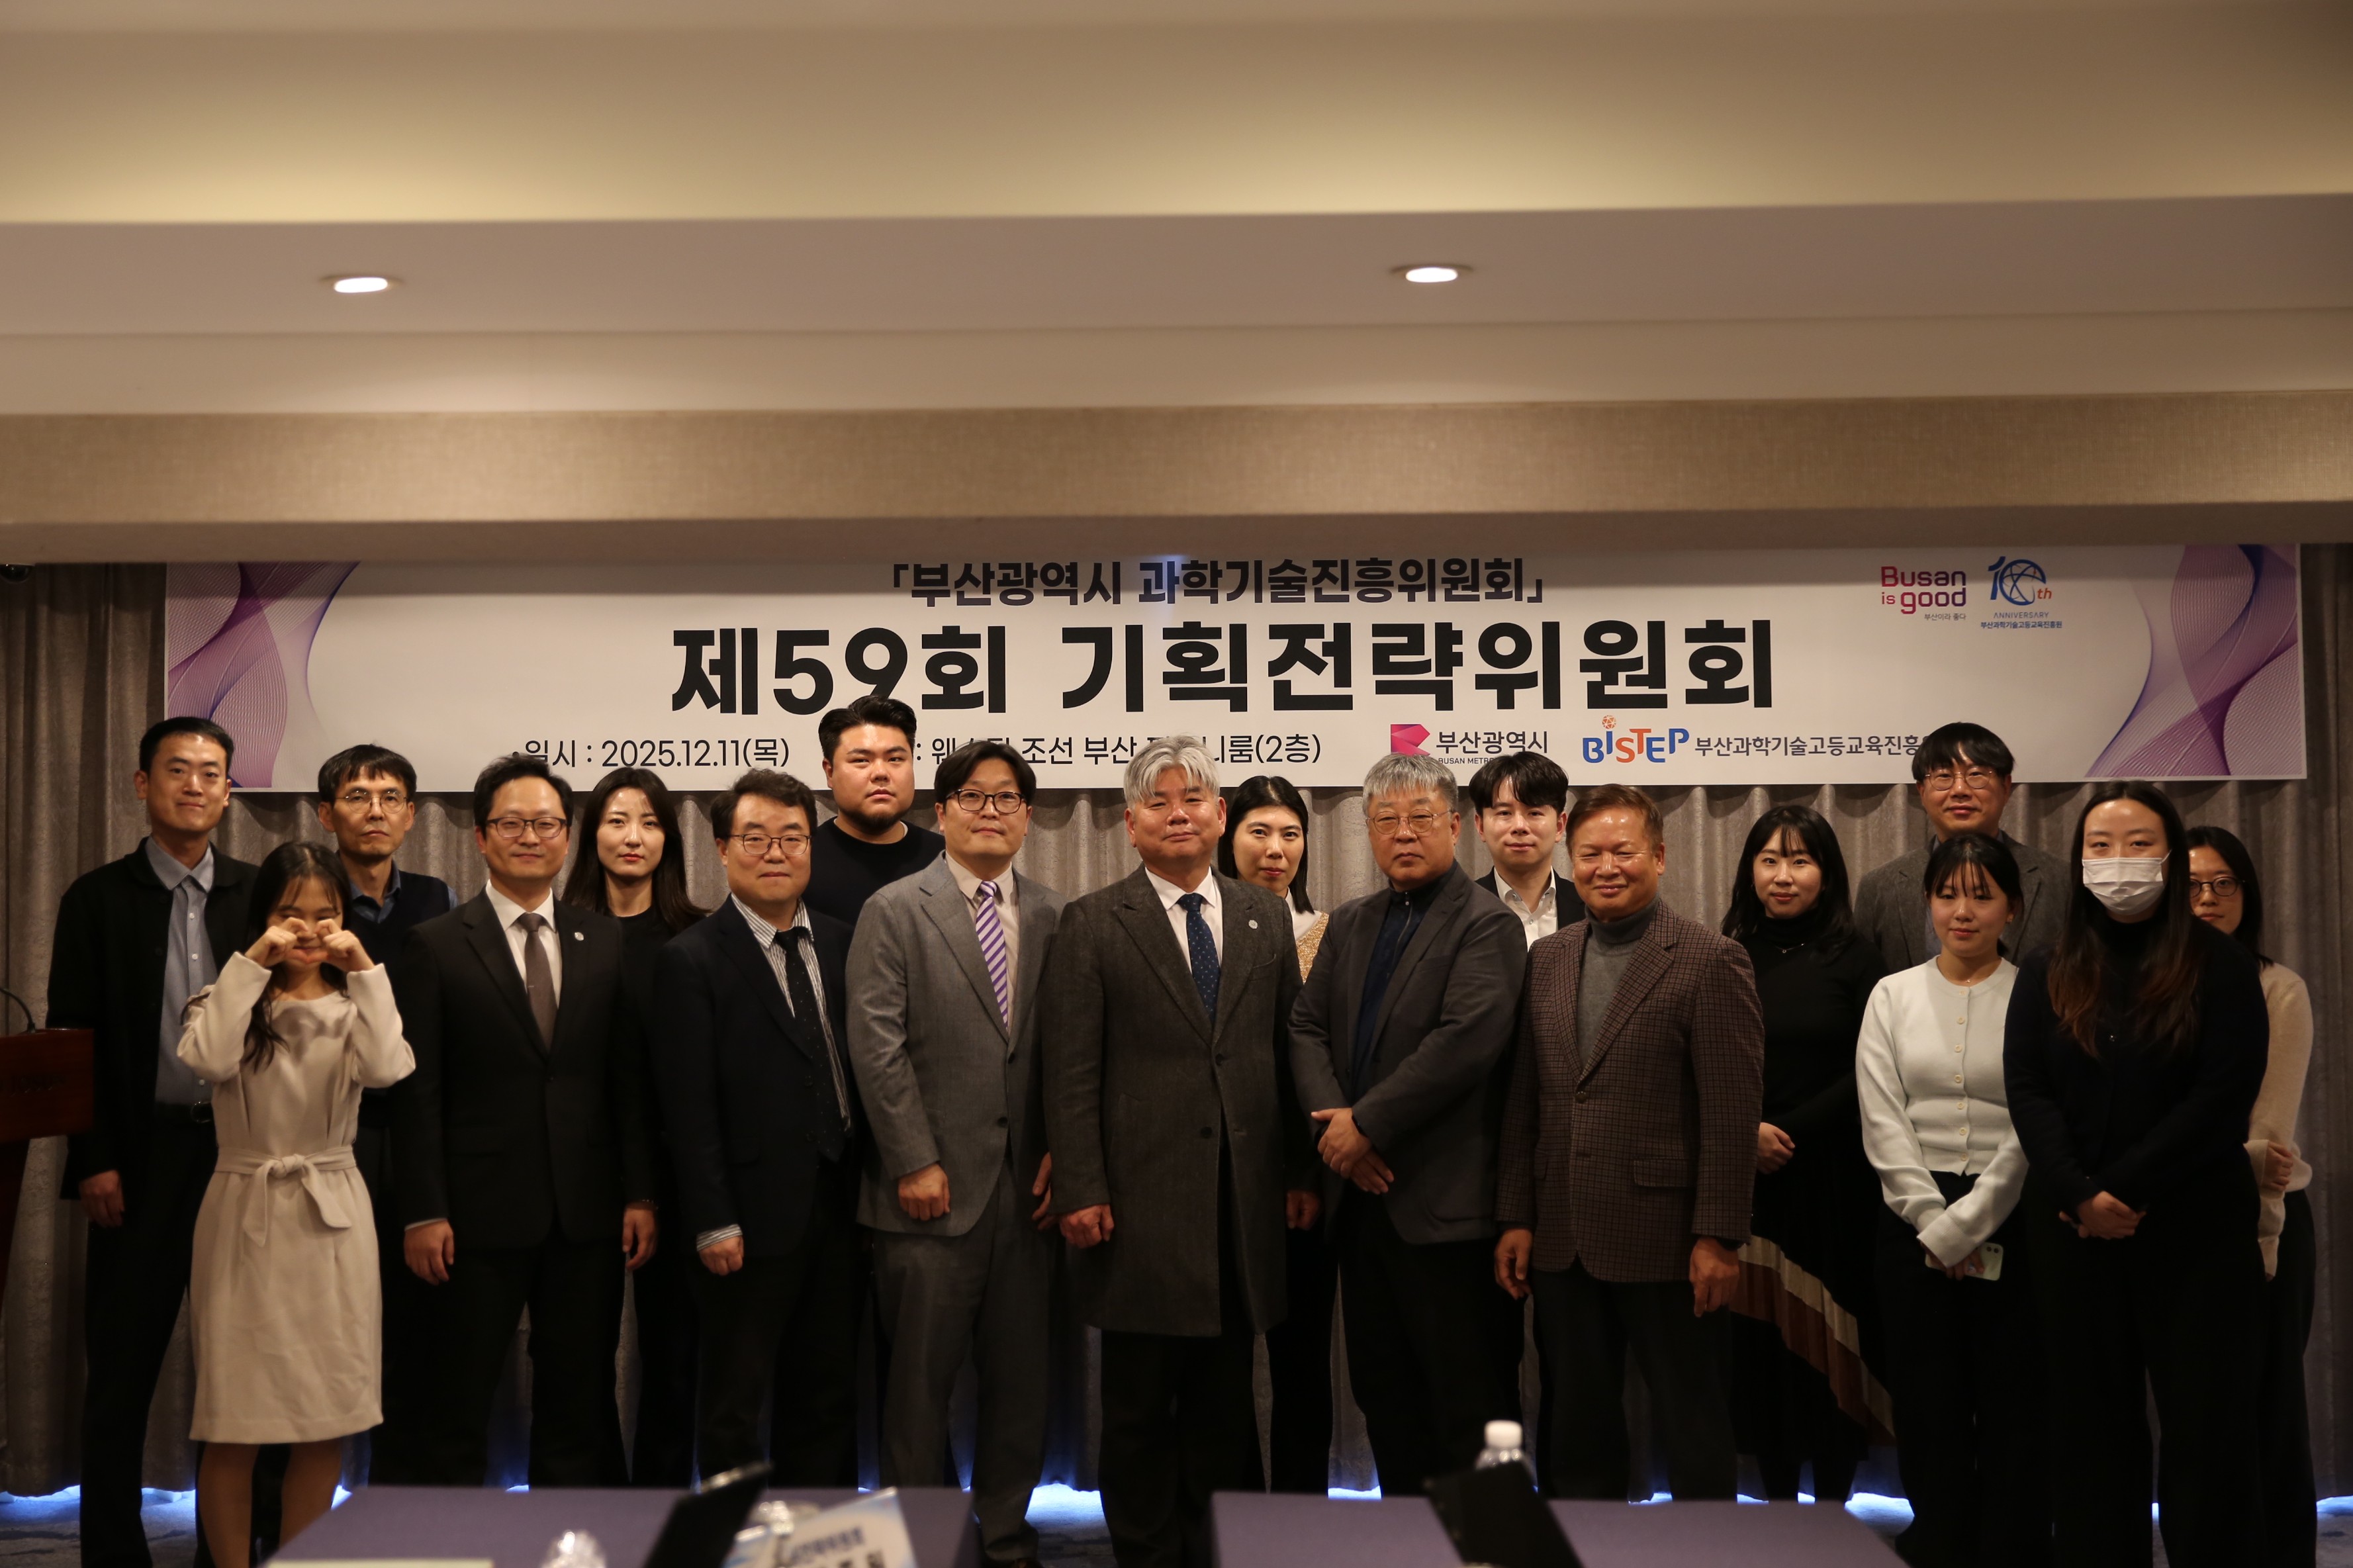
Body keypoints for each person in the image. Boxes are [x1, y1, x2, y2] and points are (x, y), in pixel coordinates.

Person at [1042, 738, 1308, 1568]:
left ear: (1220, 813)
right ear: (1131, 824)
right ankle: (1146, 1551)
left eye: (1193, 797)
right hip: (1138, 1205)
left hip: (1240, 1201)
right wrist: (1081, 1184)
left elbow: (1290, 1051)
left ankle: (1211, 1547)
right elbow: (1071, 1069)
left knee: (1224, 1400)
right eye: (1157, 802)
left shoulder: (1265, 914)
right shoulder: (1094, 920)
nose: (1178, 813)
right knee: (1136, 1406)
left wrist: (1300, 1171)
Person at [2004, 782, 2269, 1565]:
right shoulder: (2047, 964)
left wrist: (2122, 1188)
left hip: (2195, 1228)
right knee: (2090, 1427)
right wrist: (2079, 1191)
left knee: (2208, 1428)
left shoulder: (2221, 963)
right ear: (2080, 859)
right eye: (2101, 845)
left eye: (2139, 843)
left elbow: (2221, 1096)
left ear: (2172, 855)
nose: (2119, 860)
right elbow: (2027, 1086)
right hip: (2072, 1231)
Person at [390, 754, 659, 1489]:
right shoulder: (437, 943)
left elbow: (625, 1082)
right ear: (481, 835)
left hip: (585, 1212)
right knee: (458, 1396)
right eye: (513, 823)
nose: (531, 837)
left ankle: (564, 1535)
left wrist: (639, 1193)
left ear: (568, 835)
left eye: (546, 823)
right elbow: (418, 1091)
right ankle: (455, 1538)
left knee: (578, 1395)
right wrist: (424, 1209)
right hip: (472, 1216)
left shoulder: (602, 939)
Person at [1495, 782, 1763, 1502]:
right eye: (1590, 853)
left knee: (1692, 1416)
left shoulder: (1711, 958)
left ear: (1660, 856)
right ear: (1570, 859)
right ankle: (1585, 1541)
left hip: (1670, 1238)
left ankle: (1707, 1546)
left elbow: (1731, 1113)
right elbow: (1526, 1098)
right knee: (1576, 1420)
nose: (1606, 867)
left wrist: (1719, 1236)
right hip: (1563, 1233)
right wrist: (1516, 1213)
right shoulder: (1548, 958)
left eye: (1623, 851)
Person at [847, 742, 1063, 1565]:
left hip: (1029, 1194)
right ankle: (920, 1542)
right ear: (940, 812)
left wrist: (1066, 1155)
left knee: (1021, 1385)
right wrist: (912, 1158)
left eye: (1007, 798)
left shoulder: (1056, 914)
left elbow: (1071, 1051)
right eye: (973, 796)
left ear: (1028, 816)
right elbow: (876, 1044)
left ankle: (1006, 1534)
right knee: (916, 1389)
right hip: (925, 1193)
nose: (990, 811)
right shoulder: (896, 908)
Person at [48, 716, 257, 1568]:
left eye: (211, 772)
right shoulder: (97, 897)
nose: (195, 785)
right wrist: (92, 1156)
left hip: (240, 1158)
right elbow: (73, 1038)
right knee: (122, 1370)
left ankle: (227, 1549)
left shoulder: (257, 894)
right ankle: (111, 1550)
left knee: (241, 1367)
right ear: (142, 783)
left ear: (230, 792)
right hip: (138, 1159)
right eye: (178, 769)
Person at [1289, 754, 1526, 1496]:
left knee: (1469, 1400)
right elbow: (1305, 1027)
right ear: (1367, 830)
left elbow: (1465, 1041)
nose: (1403, 833)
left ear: (1456, 825)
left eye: (1421, 817)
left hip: (1447, 1210)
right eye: (1385, 820)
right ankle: (1408, 1536)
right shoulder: (1352, 921)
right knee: (1384, 1393)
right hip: (1361, 1208)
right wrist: (1338, 1138)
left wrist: (1365, 1125)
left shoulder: (1488, 923)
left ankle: (1485, 1541)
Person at [175, 843, 414, 1568]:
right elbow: (208, 1059)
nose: (307, 929)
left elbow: (389, 1068)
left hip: (331, 1214)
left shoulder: (355, 1007)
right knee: (233, 1420)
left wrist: (364, 967)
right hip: (244, 1212)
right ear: (263, 917)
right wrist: (252, 961)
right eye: (289, 912)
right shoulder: (223, 1000)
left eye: (325, 913)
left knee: (324, 1419)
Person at [655, 769, 863, 1485]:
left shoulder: (843, 942)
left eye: (792, 837)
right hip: (744, 1219)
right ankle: (735, 1531)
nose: (776, 852)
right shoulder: (690, 958)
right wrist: (713, 1219)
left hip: (840, 1205)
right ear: (721, 847)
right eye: (756, 837)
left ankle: (819, 1533)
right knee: (735, 1401)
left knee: (827, 1391)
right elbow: (687, 1107)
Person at [1856, 833, 2047, 1568]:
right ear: (1927, 903)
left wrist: (1970, 1221)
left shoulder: (2038, 993)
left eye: (1981, 895)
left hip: (2015, 1212)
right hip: (1911, 1215)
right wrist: (1933, 1220)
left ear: (2012, 908)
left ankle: (2011, 1541)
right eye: (1947, 894)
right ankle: (1939, 1534)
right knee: (1925, 1390)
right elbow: (1882, 1115)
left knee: (2013, 1389)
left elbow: (2035, 1119)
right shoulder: (1892, 994)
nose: (1962, 911)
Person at [1717, 804, 1888, 1503]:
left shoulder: (1857, 957)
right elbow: (1705, 1059)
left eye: (1800, 859)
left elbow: (1872, 1065)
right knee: (1760, 1336)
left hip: (1833, 1174)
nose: (1782, 875)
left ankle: (1835, 1499)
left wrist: (1788, 1131)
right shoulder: (1726, 951)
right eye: (1769, 859)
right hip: (1745, 1174)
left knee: (1831, 1330)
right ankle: (1777, 1497)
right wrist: (1747, 1132)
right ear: (1749, 870)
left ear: (1827, 872)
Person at [310, 743, 453, 1489]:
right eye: (358, 796)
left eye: (391, 797)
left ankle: (402, 1504)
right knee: (318, 1327)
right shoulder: (305, 898)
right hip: (328, 1129)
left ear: (412, 815)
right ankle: (284, 1515)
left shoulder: (436, 898)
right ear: (325, 813)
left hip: (418, 1129)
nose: (375, 811)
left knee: (417, 1327)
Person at [562, 766, 706, 1487]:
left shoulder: (697, 933)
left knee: (675, 1353)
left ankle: (662, 1500)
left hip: (677, 1173)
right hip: (579, 1169)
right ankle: (598, 1503)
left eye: (649, 822)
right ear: (591, 834)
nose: (633, 836)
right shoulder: (556, 930)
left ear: (670, 838)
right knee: (578, 1353)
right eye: (617, 820)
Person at [2186, 824, 2315, 1567]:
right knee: (2201, 1409)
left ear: (2247, 892)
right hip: (2177, 1218)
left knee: (2269, 1401)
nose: (2207, 899)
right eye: (2190, 885)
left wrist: (2263, 1234)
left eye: (2222, 883)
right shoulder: (2153, 986)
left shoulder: (2277, 987)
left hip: (2263, 1222)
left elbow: (2268, 1136)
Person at [1217, 774, 1335, 1495]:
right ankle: (1234, 1511)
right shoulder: (1202, 929)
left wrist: (1305, 1171)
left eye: (1290, 834)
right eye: (1258, 831)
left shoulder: (1329, 933)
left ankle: (1301, 1511)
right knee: (1220, 1362)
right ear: (1227, 836)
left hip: (1305, 1179)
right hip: (1220, 1177)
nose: (1275, 849)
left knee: (1303, 1360)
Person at [1853, 724, 2062, 973]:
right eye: (1943, 776)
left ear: (2006, 787)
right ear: (1922, 791)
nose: (1960, 790)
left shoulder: (2060, 880)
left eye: (1976, 774)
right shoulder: (1879, 887)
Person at [804, 694, 945, 929]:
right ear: (830, 772)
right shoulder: (800, 861)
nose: (881, 773)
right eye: (862, 760)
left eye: (895, 759)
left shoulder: (946, 860)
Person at [1467, 750, 1584, 944]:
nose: (1520, 826)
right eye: (1504, 813)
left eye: (1534, 813)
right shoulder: (1458, 910)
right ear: (1480, 826)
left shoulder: (1593, 906)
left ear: (1559, 826)